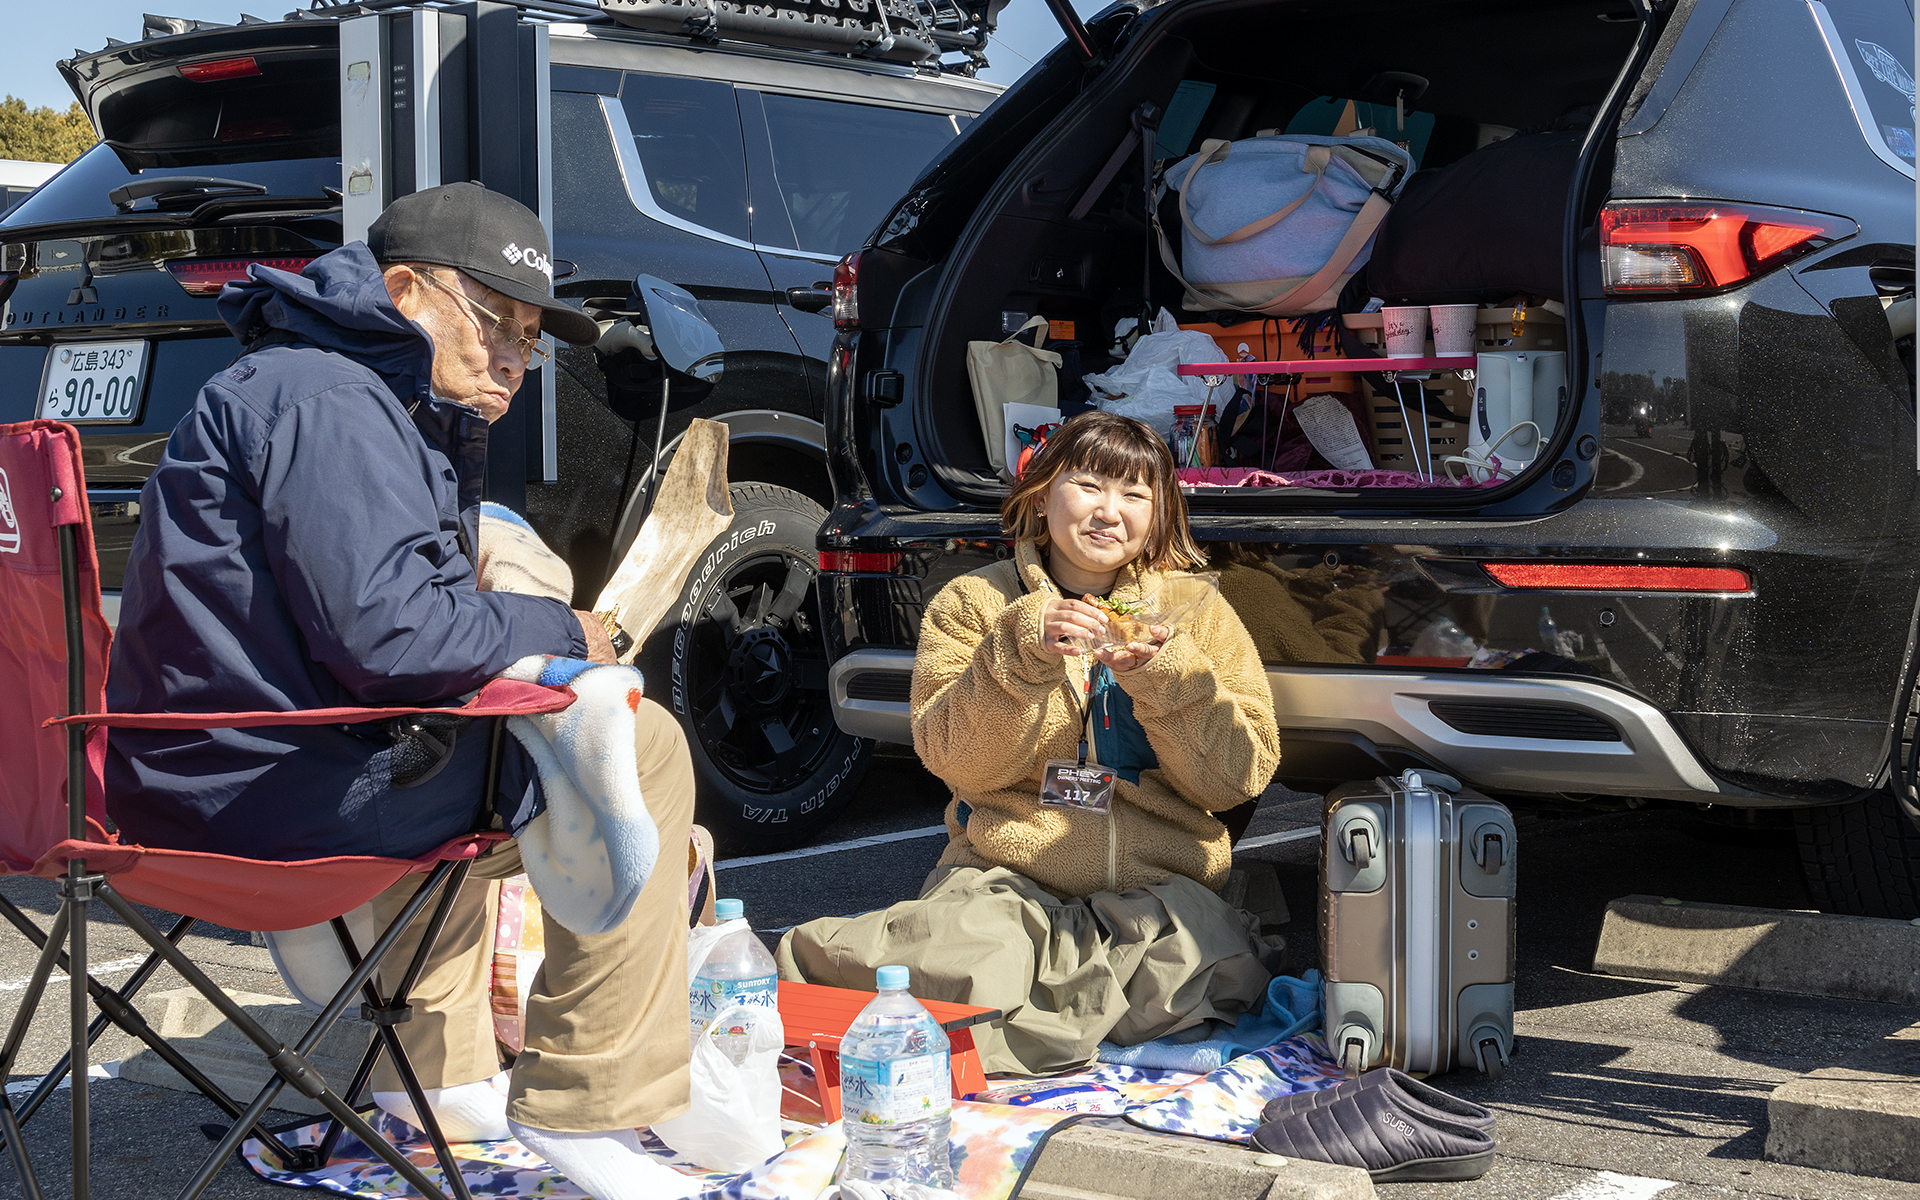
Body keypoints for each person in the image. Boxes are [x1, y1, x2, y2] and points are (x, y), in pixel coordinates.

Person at [106, 183, 699, 1199]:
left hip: (205, 772)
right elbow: (393, 638)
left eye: (530, 337)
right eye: (494, 321)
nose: (515, 355)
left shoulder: (320, 383)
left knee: (473, 746)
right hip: (267, 792)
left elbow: (377, 627)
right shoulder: (334, 398)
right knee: (637, 743)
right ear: (403, 289)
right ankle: (592, 1106)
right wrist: (567, 630)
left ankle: (435, 1073)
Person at [778, 411, 1283, 1074]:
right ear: (1042, 495)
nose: (1109, 512)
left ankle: (1017, 1024)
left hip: (1157, 892)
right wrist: (1019, 653)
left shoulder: (1196, 611)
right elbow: (951, 756)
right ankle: (1031, 1011)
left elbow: (1236, 779)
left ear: (1159, 517)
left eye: (1135, 495)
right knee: (977, 959)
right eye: (1090, 486)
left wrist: (1165, 679)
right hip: (1005, 886)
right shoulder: (974, 603)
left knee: (1208, 967)